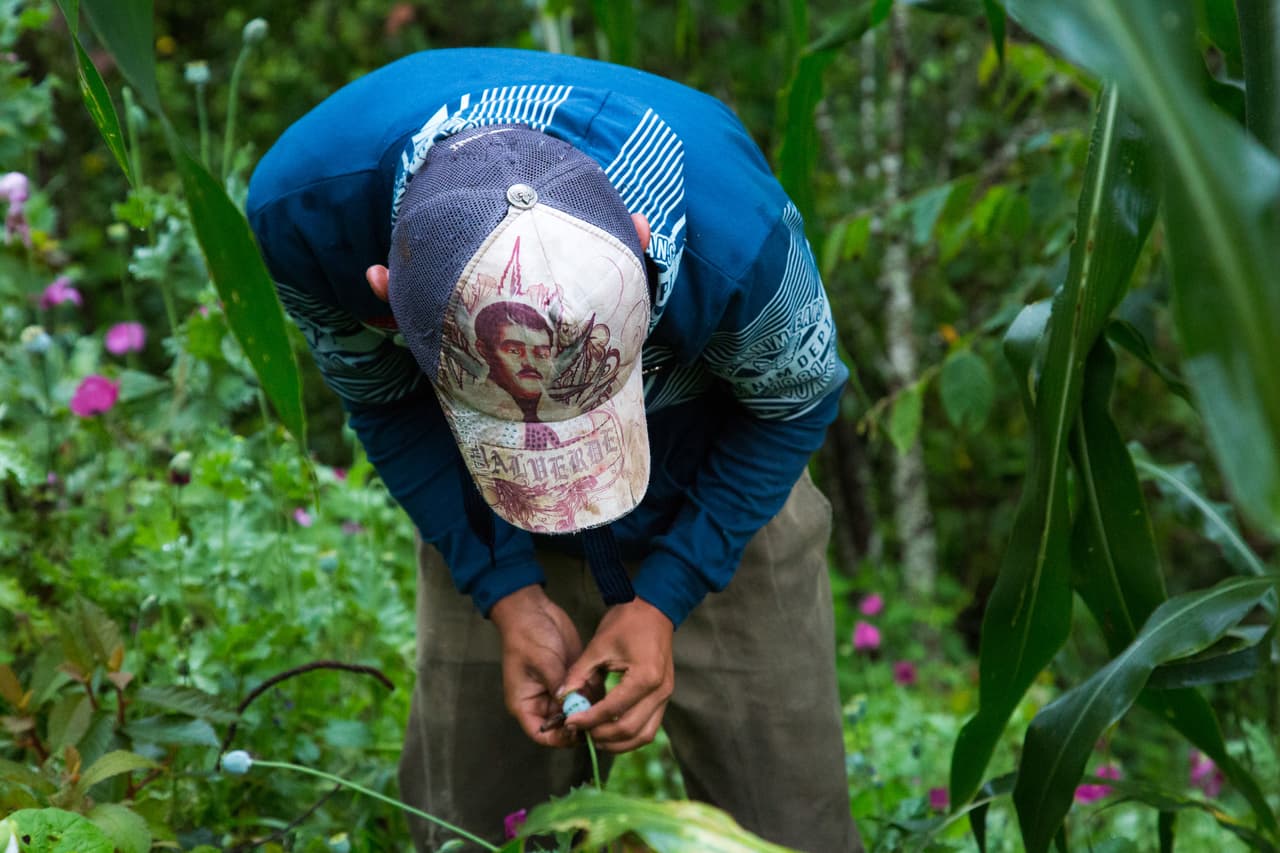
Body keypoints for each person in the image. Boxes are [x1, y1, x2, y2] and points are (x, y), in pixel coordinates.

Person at [247, 47, 860, 852]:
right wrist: (502, 588)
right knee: (464, 824)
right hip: (478, 502)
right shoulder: (306, 216)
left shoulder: (732, 235)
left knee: (792, 831)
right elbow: (385, 403)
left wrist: (667, 593)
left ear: (642, 247)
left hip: (718, 485)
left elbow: (794, 404)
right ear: (386, 304)